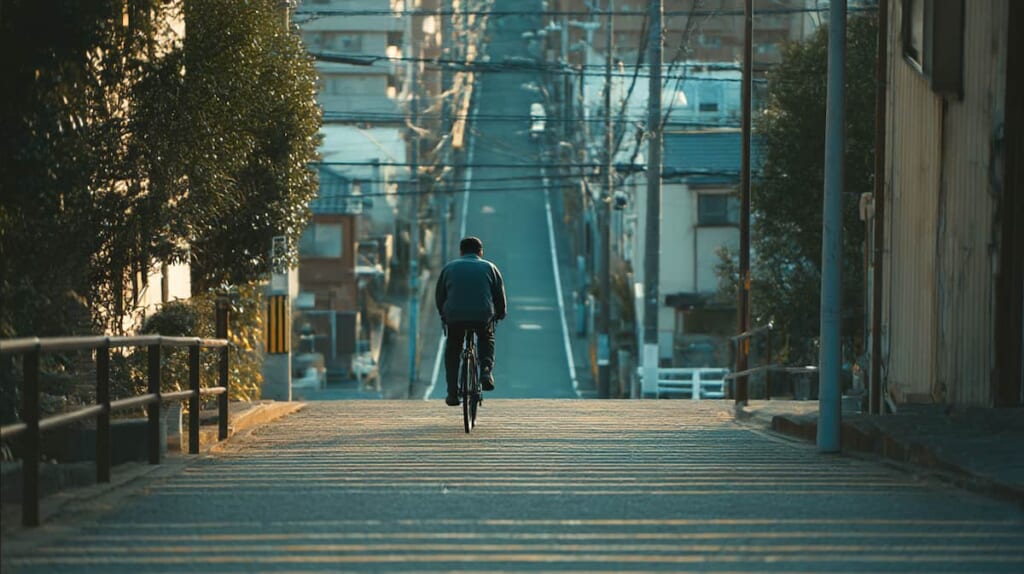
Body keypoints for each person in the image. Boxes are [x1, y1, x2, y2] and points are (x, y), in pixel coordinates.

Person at [435, 236, 507, 406]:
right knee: (486, 338)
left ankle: (452, 392)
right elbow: (499, 298)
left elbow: (440, 297)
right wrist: (500, 314)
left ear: (461, 252)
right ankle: (486, 372)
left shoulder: (449, 268)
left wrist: (444, 315)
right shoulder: (490, 268)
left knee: (453, 348)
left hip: (455, 316)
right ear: (480, 252)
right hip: (482, 315)